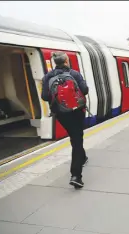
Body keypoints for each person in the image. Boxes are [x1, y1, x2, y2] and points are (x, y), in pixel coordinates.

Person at [41, 51, 89, 189]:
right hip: (77, 111)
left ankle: (83, 157)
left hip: (61, 113)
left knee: (75, 137)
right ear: (66, 61)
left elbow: (45, 96)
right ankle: (76, 176)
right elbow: (84, 90)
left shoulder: (47, 77)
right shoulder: (75, 74)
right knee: (77, 139)